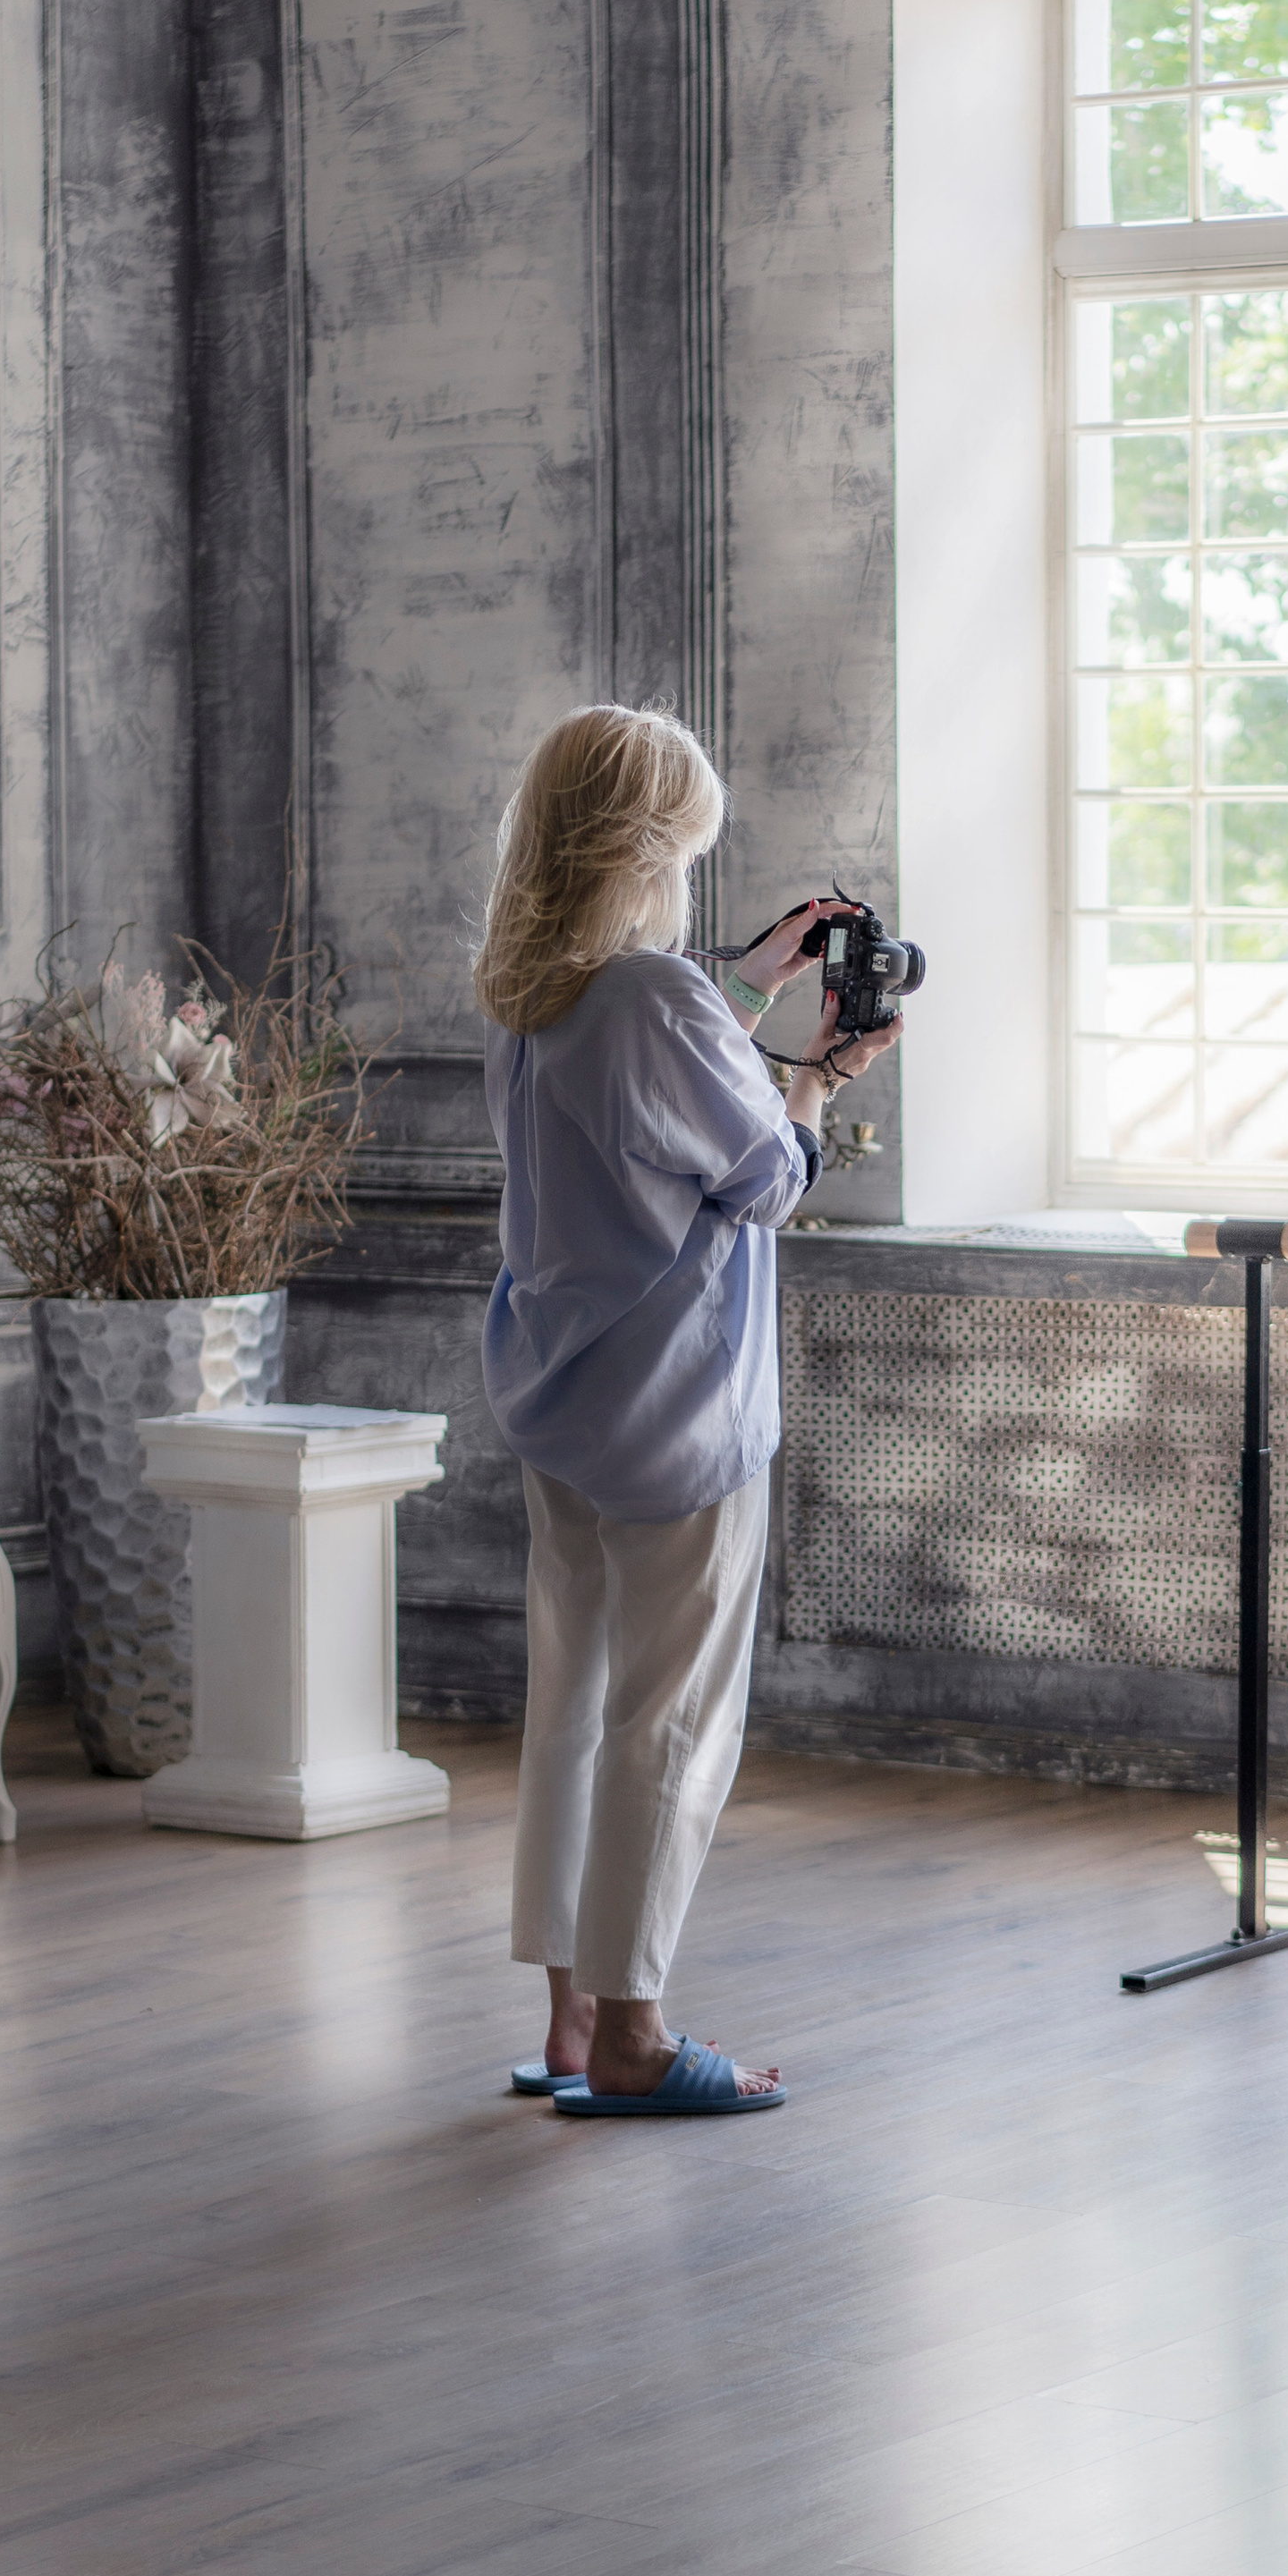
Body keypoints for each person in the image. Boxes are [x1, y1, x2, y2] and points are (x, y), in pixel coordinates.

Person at [475, 705, 902, 2117]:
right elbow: (765, 1176)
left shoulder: (530, 993)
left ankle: (568, 2021)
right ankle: (637, 2038)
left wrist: (749, 984)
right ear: (645, 849)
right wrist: (820, 1078)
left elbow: (648, 1091)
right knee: (671, 1720)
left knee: (574, 1706)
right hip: (682, 1408)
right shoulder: (655, 999)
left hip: (563, 1394)